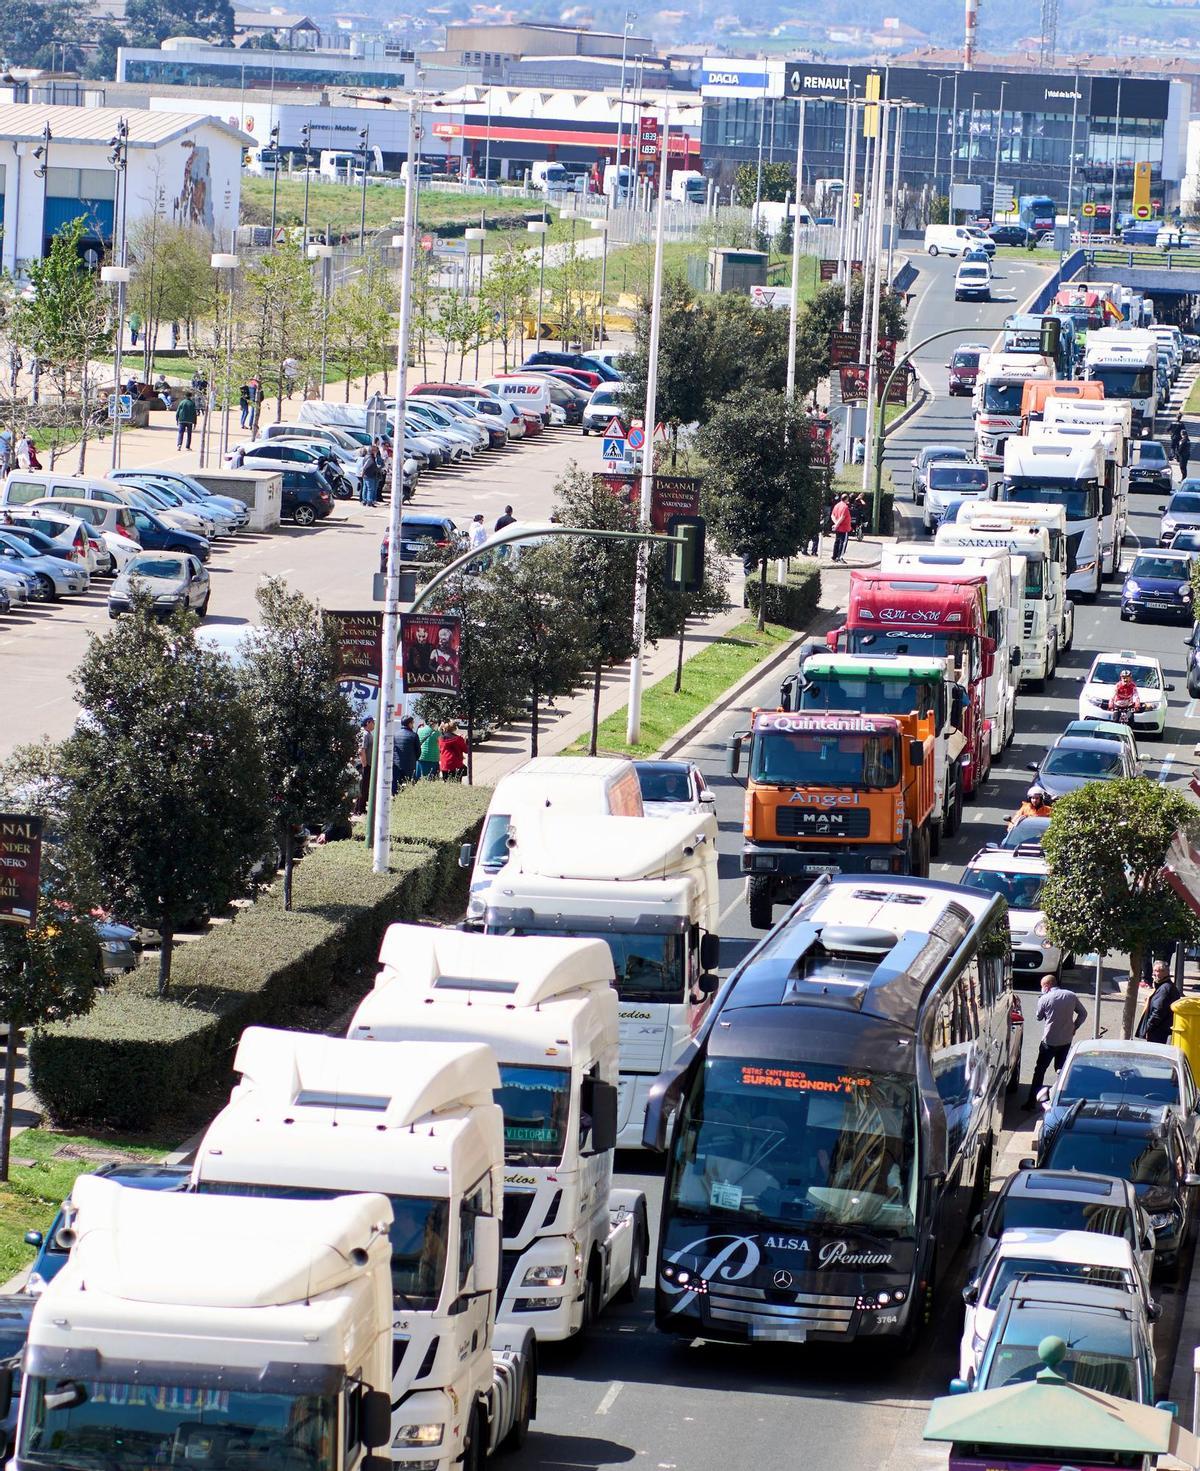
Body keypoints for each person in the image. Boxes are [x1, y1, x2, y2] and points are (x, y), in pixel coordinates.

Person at [1023, 974, 1087, 1108]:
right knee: (1061, 1070)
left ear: (1046, 986)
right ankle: (1061, 1100)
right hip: (1066, 1039)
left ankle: (1031, 1102)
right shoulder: (1071, 995)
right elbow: (1083, 1013)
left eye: (1042, 986)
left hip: (1049, 1041)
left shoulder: (1045, 998)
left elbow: (1038, 1017)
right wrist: (1075, 1026)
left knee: (1040, 1070)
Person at [1137, 959, 1183, 1045]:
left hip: (1159, 1033)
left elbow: (1157, 1012)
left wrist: (1148, 1028)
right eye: (1154, 970)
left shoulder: (1164, 989)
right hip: (1161, 1031)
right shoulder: (1164, 987)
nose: (1155, 974)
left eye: (1159, 971)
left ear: (1166, 972)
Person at [391, 715, 421, 792]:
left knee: (396, 786)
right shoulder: (414, 735)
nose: (413, 725)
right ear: (409, 724)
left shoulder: (395, 734)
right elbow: (418, 752)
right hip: (409, 765)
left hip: (396, 765)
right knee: (407, 786)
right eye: (412, 723)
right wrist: (414, 759)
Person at [353, 717, 375, 815]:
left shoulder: (367, 734)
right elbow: (361, 750)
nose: (374, 725)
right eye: (373, 723)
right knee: (362, 787)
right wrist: (365, 765)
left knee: (364, 787)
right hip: (363, 765)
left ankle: (361, 808)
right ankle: (358, 809)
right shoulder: (365, 734)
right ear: (368, 723)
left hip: (366, 764)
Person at [830, 494, 852, 563]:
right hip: (844, 528)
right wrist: (837, 524)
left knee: (837, 542)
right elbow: (842, 517)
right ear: (846, 499)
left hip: (838, 528)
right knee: (843, 543)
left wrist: (836, 523)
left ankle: (834, 556)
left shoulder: (837, 505)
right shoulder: (845, 507)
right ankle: (840, 557)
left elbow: (832, 515)